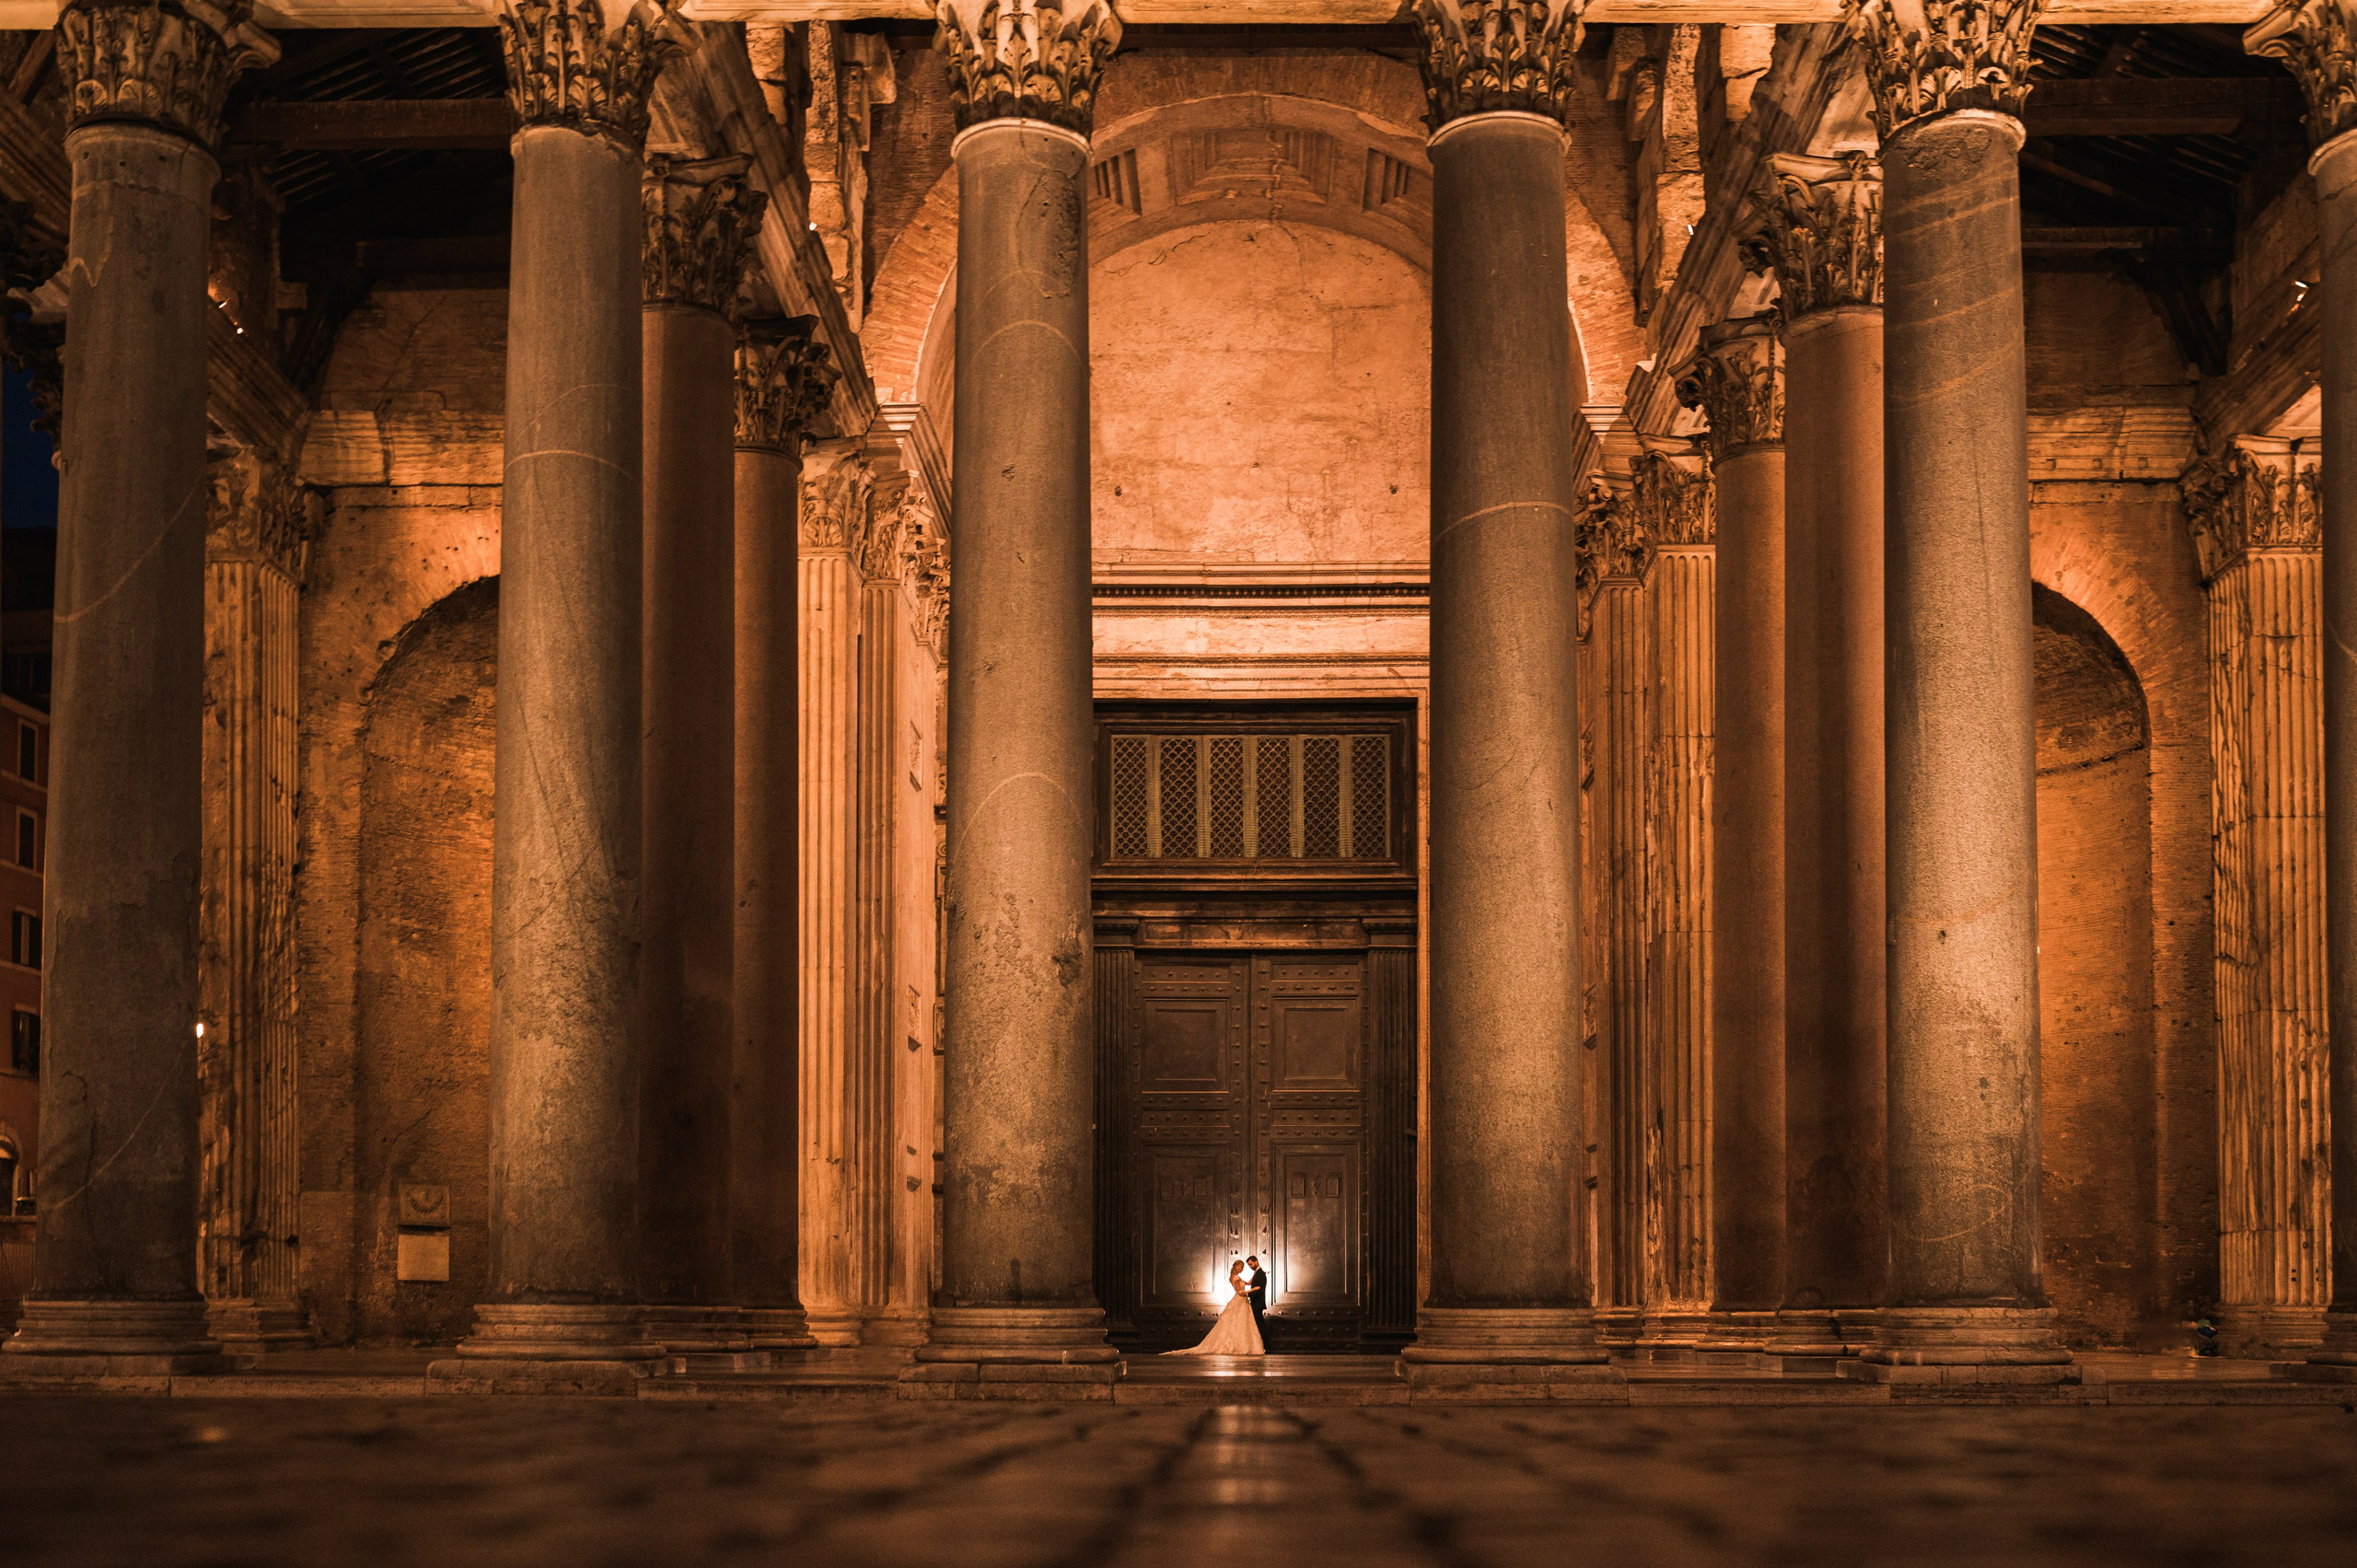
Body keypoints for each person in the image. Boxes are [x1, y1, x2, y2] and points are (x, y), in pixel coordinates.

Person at [1165, 1259, 1265, 1356]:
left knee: (1241, 1323)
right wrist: (1253, 1290)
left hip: (1242, 1302)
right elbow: (1240, 1292)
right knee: (1239, 1323)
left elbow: (1247, 1283)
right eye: (1241, 1267)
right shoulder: (1236, 1278)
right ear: (1236, 1267)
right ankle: (1238, 1346)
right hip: (1240, 1301)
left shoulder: (1235, 1277)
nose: (1242, 1269)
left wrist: (1256, 1275)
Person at [1244, 1255, 1268, 1348]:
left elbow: (1259, 1289)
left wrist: (1248, 1294)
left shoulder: (1260, 1274)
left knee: (1260, 1325)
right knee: (1259, 1324)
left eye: (1251, 1264)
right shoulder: (1257, 1273)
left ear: (1256, 1261)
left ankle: (1265, 1345)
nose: (1250, 1267)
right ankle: (1263, 1345)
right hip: (1256, 1303)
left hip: (1257, 1303)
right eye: (1249, 1265)